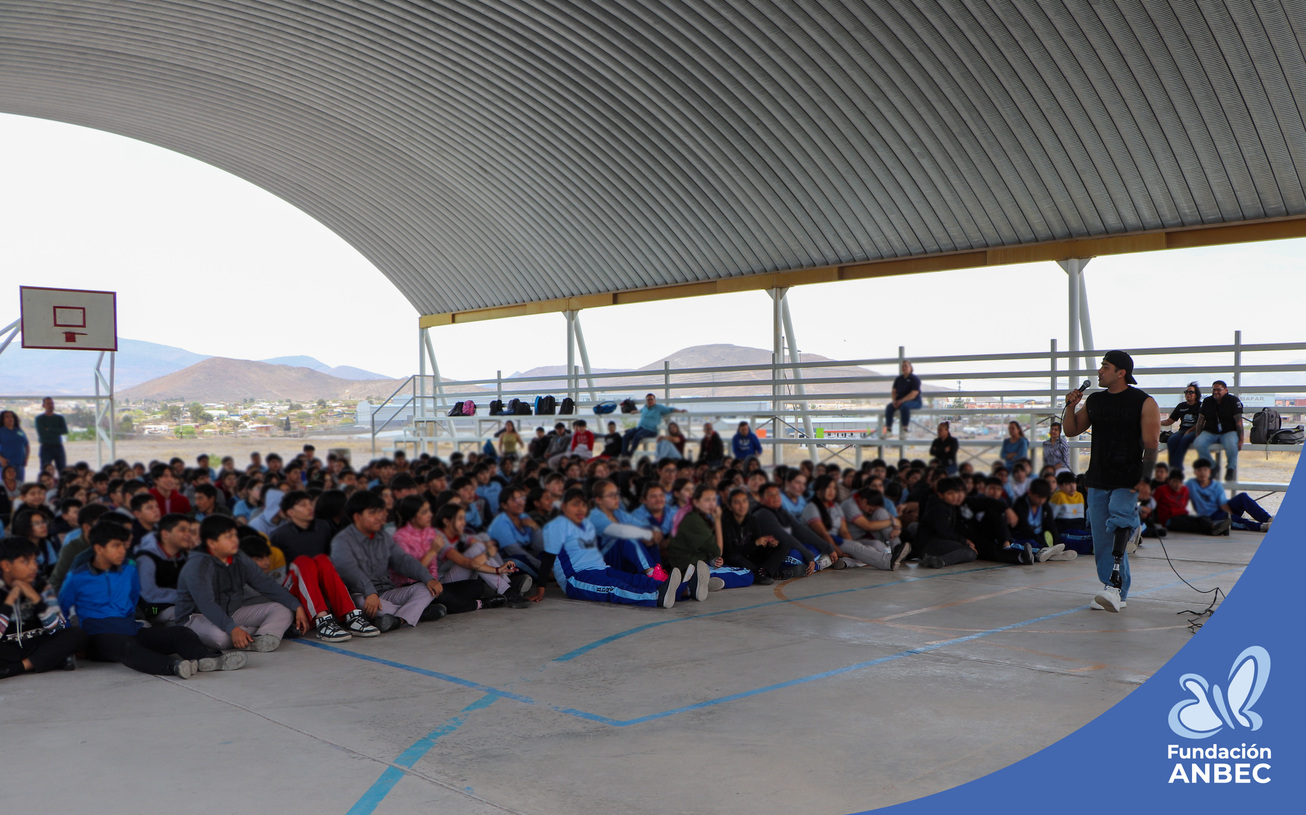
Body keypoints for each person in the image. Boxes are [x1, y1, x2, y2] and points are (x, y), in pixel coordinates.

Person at [58, 521, 245, 679]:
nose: (122, 551)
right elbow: (62, 610)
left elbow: (133, 601)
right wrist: (74, 645)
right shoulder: (78, 577)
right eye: (116, 546)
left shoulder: (128, 570)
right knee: (128, 647)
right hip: (98, 638)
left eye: (124, 545)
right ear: (99, 548)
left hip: (132, 630)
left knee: (180, 633)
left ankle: (207, 658)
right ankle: (173, 666)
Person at [1061, 350, 1160, 613]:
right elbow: (1071, 430)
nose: (1099, 371)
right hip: (1098, 477)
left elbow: (1151, 445)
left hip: (1128, 478)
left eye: (1105, 366)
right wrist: (1070, 406)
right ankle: (1114, 588)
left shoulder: (1144, 402)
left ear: (1121, 372)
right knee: (1102, 538)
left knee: (1118, 520)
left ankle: (1115, 587)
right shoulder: (1095, 400)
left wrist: (1146, 480)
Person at [535, 487, 687, 608]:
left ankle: (682, 590)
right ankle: (656, 597)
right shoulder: (557, 526)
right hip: (577, 577)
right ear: (563, 507)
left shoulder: (586, 524)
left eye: (583, 505)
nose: (580, 508)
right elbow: (548, 558)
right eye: (575, 504)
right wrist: (540, 590)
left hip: (602, 569)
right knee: (615, 587)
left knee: (633, 579)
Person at [176, 515, 311, 651]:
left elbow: (266, 584)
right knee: (221, 638)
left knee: (284, 609)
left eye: (235, 535)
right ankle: (253, 633)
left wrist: (297, 606)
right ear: (212, 543)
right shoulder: (197, 565)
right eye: (228, 537)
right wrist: (232, 628)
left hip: (233, 613)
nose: (235, 540)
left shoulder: (239, 557)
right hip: (197, 617)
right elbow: (207, 605)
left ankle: (261, 638)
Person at [330, 491, 447, 631]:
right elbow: (350, 571)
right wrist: (370, 592)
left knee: (426, 589)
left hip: (388, 592)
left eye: (379, 512)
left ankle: (397, 620)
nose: (379, 517)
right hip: (361, 594)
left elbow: (403, 561)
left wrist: (428, 578)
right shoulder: (342, 541)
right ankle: (418, 613)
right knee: (366, 604)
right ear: (357, 517)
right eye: (373, 513)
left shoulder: (382, 536)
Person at [1, 535, 89, 680]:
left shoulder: (42, 587)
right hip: (8, 647)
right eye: (25, 561)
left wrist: (35, 597)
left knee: (77, 635)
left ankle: (18, 667)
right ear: (6, 566)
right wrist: (10, 598)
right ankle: (50, 660)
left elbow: (58, 628)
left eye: (34, 561)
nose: (33, 566)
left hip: (39, 643)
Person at [1184, 458, 1272, 533]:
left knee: (1242, 497)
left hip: (1222, 509)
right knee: (1230, 519)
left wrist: (1229, 512)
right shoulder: (1191, 485)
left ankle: (1268, 519)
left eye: (1205, 470)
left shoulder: (1214, 484)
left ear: (1209, 471)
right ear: (1195, 472)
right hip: (1211, 516)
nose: (1202, 473)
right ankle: (1261, 527)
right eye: (1199, 470)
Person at [1192, 380, 1243, 481]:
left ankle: (1230, 468)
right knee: (1198, 443)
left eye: (1218, 390)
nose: (1215, 392)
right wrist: (1198, 435)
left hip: (1228, 431)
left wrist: (1241, 439)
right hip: (1210, 432)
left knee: (1231, 444)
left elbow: (1239, 422)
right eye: (1214, 390)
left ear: (1226, 390)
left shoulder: (1233, 401)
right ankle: (1213, 466)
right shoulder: (1207, 401)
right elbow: (1200, 421)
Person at [1160, 382, 1202, 477]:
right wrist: (1157, 422)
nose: (1188, 394)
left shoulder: (1201, 406)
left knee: (1184, 440)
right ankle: (1173, 467)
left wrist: (1189, 431)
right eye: (1186, 392)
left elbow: (1202, 423)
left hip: (1195, 431)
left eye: (1191, 392)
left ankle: (1177, 468)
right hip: (1182, 430)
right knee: (1172, 440)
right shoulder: (1181, 406)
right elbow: (1170, 421)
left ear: (1196, 394)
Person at [883, 359, 921, 436]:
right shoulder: (898, 379)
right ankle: (889, 430)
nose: (904, 368)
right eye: (903, 366)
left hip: (914, 401)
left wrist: (902, 401)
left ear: (910, 367)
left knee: (904, 407)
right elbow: (894, 391)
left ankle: (905, 430)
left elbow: (914, 393)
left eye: (906, 366)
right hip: (899, 401)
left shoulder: (915, 379)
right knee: (889, 407)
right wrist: (894, 401)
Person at [34, 398, 68, 480]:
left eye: (52, 403)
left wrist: (49, 429)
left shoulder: (59, 418)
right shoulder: (39, 419)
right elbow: (43, 434)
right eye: (48, 403)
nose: (50, 405)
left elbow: (64, 431)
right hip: (46, 447)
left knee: (62, 469)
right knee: (45, 470)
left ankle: (62, 486)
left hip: (58, 446)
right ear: (43, 405)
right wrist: (57, 431)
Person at [0, 410, 30, 482]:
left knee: (20, 485)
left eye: (11, 416)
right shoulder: (1, 431)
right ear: (3, 420)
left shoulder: (20, 431)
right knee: (7, 486)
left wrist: (26, 459)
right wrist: (1, 459)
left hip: (20, 464)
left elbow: (27, 445)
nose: (10, 418)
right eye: (7, 417)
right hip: (7, 465)